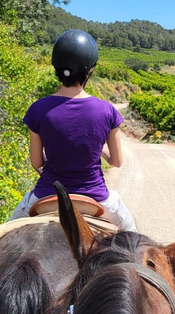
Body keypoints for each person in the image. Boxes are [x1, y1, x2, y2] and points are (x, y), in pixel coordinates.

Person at [8, 29, 137, 231]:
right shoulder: (107, 110)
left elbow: (36, 162)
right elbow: (117, 161)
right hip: (96, 198)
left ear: (56, 68)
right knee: (134, 238)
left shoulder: (38, 109)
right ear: (90, 70)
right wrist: (95, 149)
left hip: (46, 194)